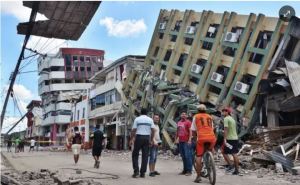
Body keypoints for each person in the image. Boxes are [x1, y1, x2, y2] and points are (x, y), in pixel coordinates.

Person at [191, 104, 217, 183]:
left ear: (197, 110)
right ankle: (211, 160)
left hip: (201, 138)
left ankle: (198, 177)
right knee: (211, 148)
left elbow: (193, 129)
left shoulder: (196, 116)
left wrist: (194, 137)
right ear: (205, 110)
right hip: (212, 137)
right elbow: (212, 128)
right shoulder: (209, 116)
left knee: (199, 156)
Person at [130, 108, 155, 178]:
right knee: (145, 156)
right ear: (147, 113)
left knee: (135, 155)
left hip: (139, 137)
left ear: (140, 113)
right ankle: (142, 173)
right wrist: (151, 139)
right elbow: (153, 130)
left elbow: (133, 130)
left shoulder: (137, 119)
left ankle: (136, 172)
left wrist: (131, 139)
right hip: (147, 138)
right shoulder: (150, 120)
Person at [221, 107, 240, 175]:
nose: (222, 112)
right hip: (235, 138)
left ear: (227, 112)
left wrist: (225, 139)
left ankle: (232, 167)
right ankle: (234, 168)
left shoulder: (226, 119)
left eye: (224, 111)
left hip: (229, 139)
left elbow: (226, 129)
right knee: (229, 152)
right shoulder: (232, 119)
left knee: (227, 152)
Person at [175, 110, 193, 176]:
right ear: (180, 115)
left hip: (186, 141)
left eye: (185, 114)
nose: (183, 115)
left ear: (187, 116)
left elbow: (190, 131)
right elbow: (177, 131)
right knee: (183, 156)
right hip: (180, 141)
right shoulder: (179, 122)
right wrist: (176, 139)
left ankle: (189, 171)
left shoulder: (188, 122)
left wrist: (190, 140)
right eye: (182, 114)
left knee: (188, 156)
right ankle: (184, 170)